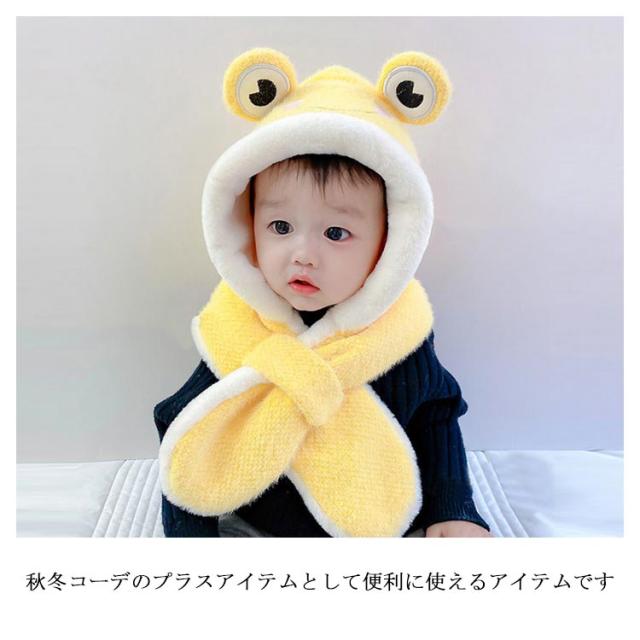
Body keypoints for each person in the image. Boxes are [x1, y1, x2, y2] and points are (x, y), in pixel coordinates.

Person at [154, 48, 492, 538]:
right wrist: (191, 536)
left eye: (336, 233)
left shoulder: (399, 332)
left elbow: (436, 418)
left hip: (383, 519)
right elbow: (185, 427)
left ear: (391, 242)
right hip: (259, 521)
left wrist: (454, 508)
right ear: (247, 224)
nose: (303, 255)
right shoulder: (238, 327)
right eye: (281, 226)